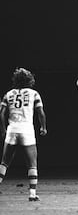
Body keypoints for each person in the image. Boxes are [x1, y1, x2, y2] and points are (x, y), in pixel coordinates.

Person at [0, 68, 47, 201]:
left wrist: (3, 129)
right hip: (26, 129)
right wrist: (43, 127)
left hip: (12, 129)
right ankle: (32, 193)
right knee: (32, 164)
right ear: (29, 80)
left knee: (4, 162)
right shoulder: (34, 94)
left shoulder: (8, 94)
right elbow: (40, 112)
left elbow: (1, 114)